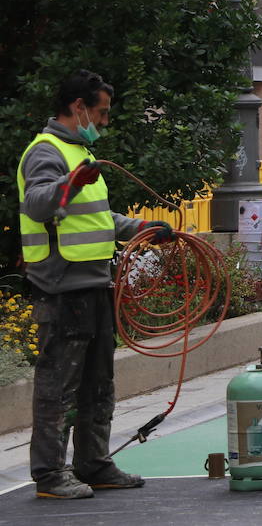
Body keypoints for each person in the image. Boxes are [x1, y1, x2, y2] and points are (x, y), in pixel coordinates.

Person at [18, 70, 172, 499]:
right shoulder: (48, 153)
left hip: (91, 284)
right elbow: (37, 202)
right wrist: (69, 184)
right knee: (58, 386)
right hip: (62, 287)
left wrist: (139, 226)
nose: (104, 121)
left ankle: (94, 464)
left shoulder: (77, 154)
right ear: (78, 107)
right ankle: (50, 475)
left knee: (98, 383)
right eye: (101, 112)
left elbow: (95, 221)